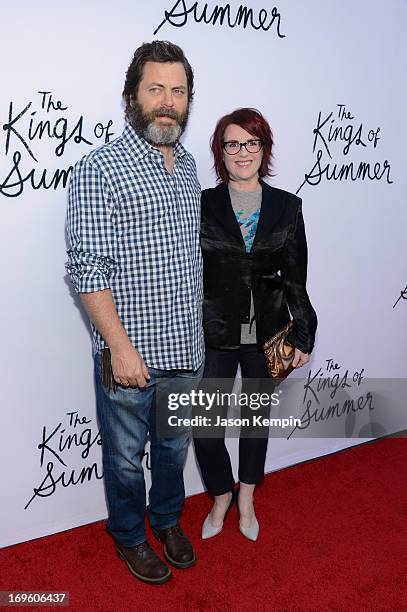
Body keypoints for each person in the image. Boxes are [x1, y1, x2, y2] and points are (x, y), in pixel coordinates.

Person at [65, 41, 204, 585]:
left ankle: (166, 521)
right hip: (131, 357)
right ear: (131, 96)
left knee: (172, 454)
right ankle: (127, 535)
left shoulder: (189, 166)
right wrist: (119, 348)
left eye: (178, 91)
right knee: (125, 461)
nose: (167, 102)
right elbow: (87, 269)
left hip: (186, 351)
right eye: (156, 89)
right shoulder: (100, 169)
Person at [193, 108, 317, 541]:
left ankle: (246, 496)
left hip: (268, 331)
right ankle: (221, 494)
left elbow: (295, 276)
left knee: (254, 420)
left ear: (263, 149)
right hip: (214, 331)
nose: (242, 152)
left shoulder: (287, 206)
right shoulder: (201, 204)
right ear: (220, 152)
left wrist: (303, 332)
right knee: (205, 427)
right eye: (232, 144)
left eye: (251, 143)